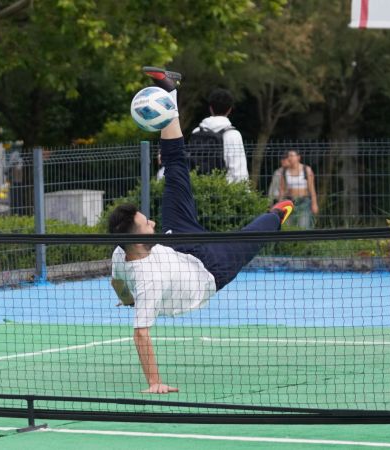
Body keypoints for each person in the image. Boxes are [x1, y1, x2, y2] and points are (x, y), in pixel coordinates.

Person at [108, 67, 294, 394]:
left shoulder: (121, 252)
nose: (151, 221)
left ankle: (168, 94)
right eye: (145, 222)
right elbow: (141, 333)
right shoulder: (148, 280)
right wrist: (155, 382)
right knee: (252, 235)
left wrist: (126, 298)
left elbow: (117, 281)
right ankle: (280, 211)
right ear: (137, 237)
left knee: (176, 166)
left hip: (177, 243)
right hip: (209, 269)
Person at [192, 88, 248, 183]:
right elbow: (239, 171)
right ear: (230, 109)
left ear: (210, 108)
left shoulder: (196, 132)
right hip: (225, 190)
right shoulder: (233, 134)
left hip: (199, 188)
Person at [276, 149, 319, 229]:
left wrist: (314, 204)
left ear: (298, 157)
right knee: (289, 225)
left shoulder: (306, 169)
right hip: (290, 201)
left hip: (304, 201)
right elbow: (282, 190)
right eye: (288, 156)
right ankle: (291, 241)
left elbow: (312, 189)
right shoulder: (285, 171)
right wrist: (279, 205)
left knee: (304, 225)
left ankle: (304, 241)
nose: (290, 158)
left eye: (292, 155)